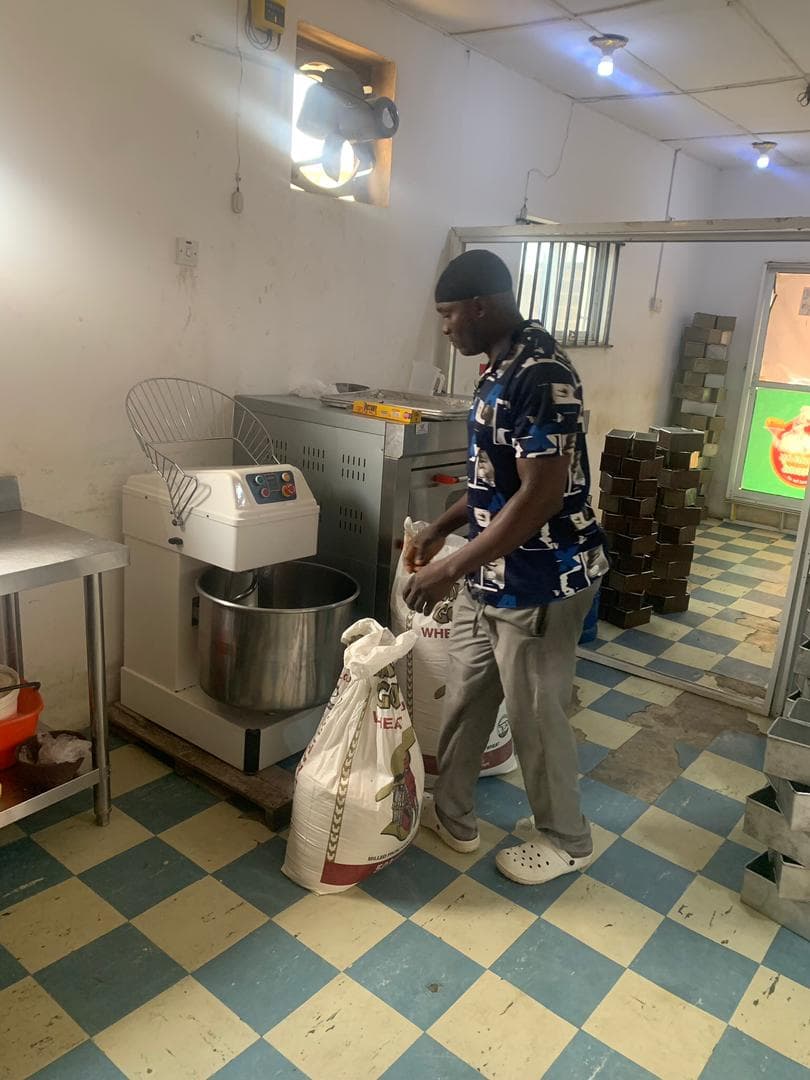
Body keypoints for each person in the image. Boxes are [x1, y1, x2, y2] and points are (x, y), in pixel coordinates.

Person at [403, 249, 608, 885]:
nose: (444, 327)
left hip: (542, 579)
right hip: (489, 574)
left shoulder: (541, 373)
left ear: (481, 306)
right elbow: (495, 481)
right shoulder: (499, 367)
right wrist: (441, 529)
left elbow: (541, 495)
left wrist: (447, 570)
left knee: (536, 714)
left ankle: (568, 839)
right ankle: (453, 812)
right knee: (468, 695)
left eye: (448, 314)